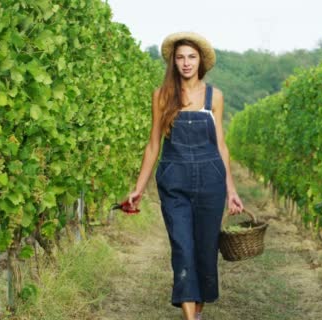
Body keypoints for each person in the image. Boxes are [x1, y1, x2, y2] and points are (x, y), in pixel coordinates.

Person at [126, 31, 244, 320]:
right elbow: (154, 143)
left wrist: (231, 190)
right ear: (173, 62)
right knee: (182, 246)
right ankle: (190, 317)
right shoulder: (162, 96)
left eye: (191, 57)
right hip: (174, 179)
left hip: (210, 180)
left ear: (200, 61)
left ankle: (197, 312)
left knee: (205, 251)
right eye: (180, 57)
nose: (186, 63)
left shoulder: (214, 96)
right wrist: (138, 188)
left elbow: (221, 146)